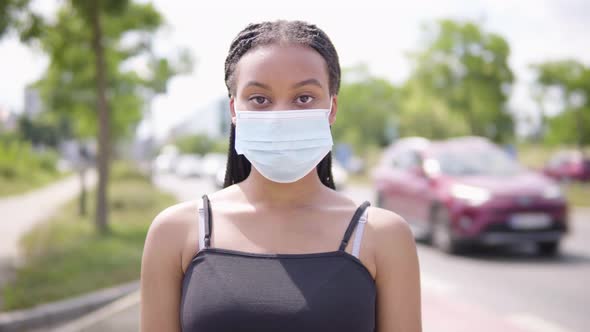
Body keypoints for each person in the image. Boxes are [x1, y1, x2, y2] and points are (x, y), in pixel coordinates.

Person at [140, 20, 421, 332]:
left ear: (332, 108)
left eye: (303, 98)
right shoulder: (175, 232)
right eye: (260, 99)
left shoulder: (383, 236)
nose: (280, 117)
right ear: (234, 110)